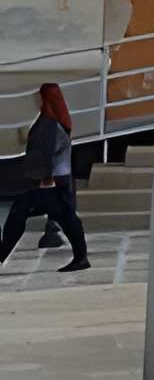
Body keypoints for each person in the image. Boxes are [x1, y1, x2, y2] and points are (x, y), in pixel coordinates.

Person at [0, 85, 90, 274]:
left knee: (26, 214)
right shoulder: (56, 121)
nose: (36, 100)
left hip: (51, 182)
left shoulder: (50, 124)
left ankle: (81, 258)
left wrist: (45, 179)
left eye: (40, 97)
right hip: (57, 180)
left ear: (47, 100)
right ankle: (81, 257)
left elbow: (45, 154)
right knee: (64, 217)